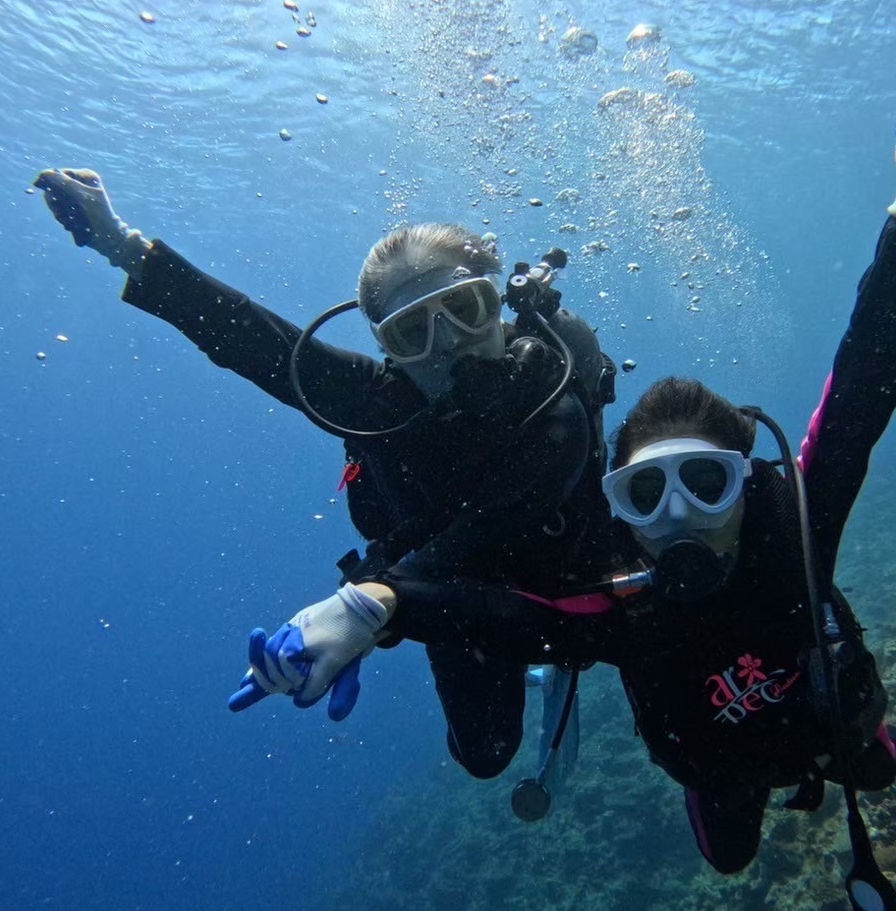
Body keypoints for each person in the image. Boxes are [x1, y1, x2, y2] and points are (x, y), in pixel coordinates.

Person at [237, 102, 896, 907]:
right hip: (717, 762)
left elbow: (864, 385)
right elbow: (504, 616)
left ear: (746, 479)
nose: (680, 516)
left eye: (706, 482)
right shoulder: (621, 599)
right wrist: (375, 602)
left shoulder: (794, 521)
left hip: (833, 722)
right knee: (726, 857)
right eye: (646, 493)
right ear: (620, 509)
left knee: (871, 758)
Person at [33, 175, 616, 778]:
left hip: (566, 585)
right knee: (486, 756)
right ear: (388, 348)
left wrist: (366, 607)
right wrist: (118, 242)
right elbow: (255, 342)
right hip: (440, 590)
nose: (450, 345)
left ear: (496, 303)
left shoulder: (550, 393)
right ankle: (533, 670)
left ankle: (544, 661)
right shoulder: (379, 404)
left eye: (465, 309)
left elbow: (497, 526)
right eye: (414, 331)